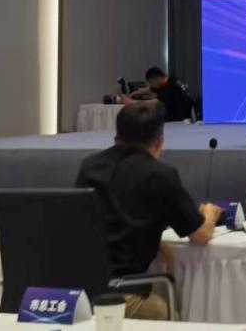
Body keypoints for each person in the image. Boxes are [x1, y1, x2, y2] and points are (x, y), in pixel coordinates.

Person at [75, 101, 220, 320]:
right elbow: (200, 235)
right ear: (159, 141)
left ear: (117, 134)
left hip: (78, 293)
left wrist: (155, 242)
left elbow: (94, 223)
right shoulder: (160, 175)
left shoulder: (89, 166)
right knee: (171, 308)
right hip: (122, 296)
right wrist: (210, 213)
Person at [120, 67, 196, 123]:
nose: (151, 85)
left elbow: (155, 102)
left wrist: (131, 102)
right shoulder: (171, 80)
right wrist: (134, 93)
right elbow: (150, 89)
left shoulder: (171, 86)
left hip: (179, 119)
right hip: (181, 116)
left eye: (151, 82)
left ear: (158, 78)